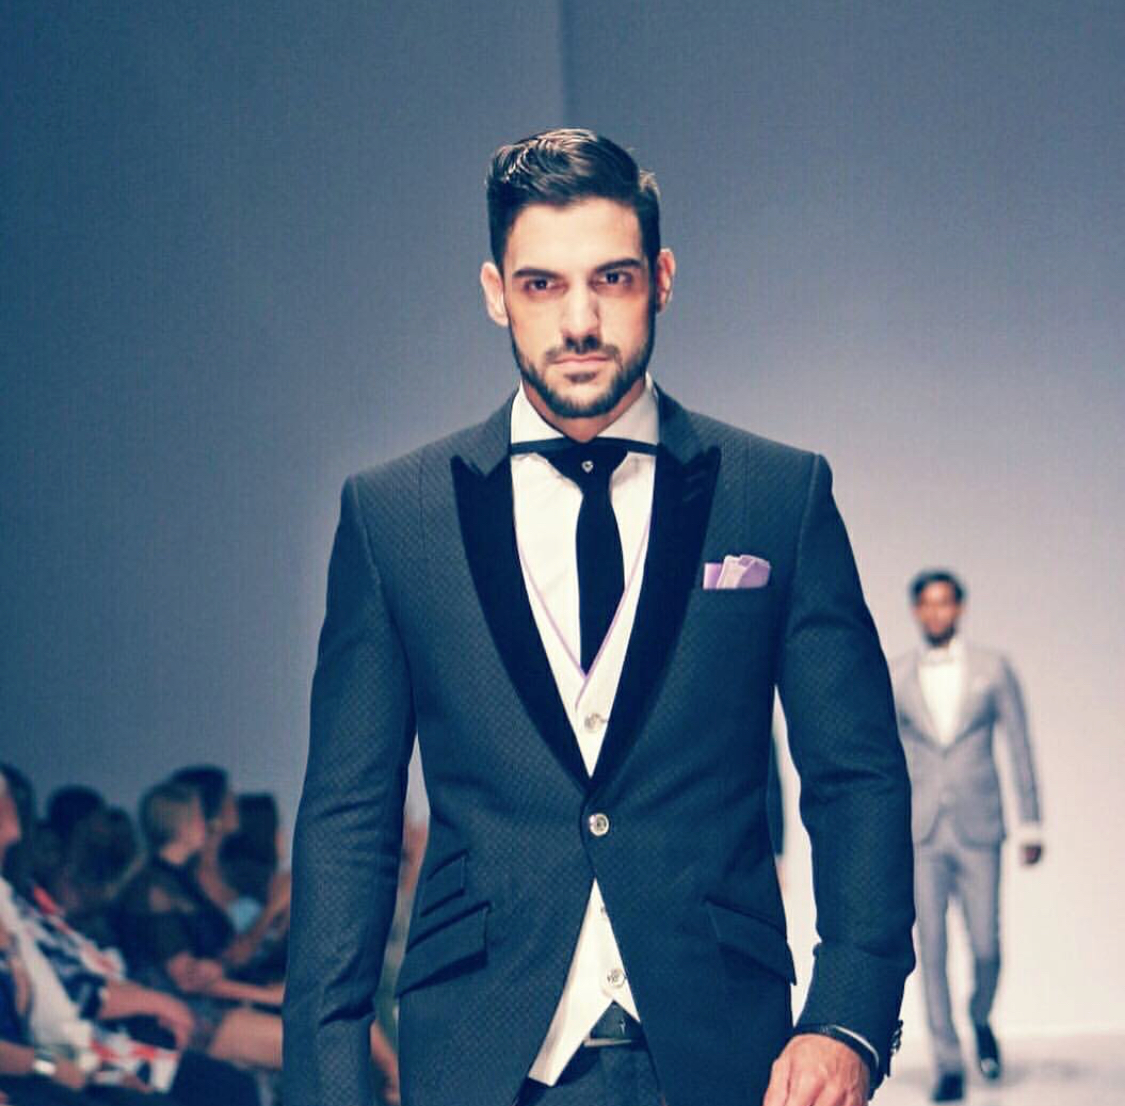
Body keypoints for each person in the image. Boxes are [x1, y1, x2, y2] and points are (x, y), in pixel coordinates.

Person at [283, 128, 916, 1106]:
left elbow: (856, 775)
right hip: (483, 1053)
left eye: (610, 279)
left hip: (725, 1053)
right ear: (495, 292)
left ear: (660, 280)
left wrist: (848, 1018)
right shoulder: (396, 516)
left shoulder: (775, 496)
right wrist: (329, 1087)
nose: (578, 321)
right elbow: (348, 819)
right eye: (542, 285)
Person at [0, 766, 260, 1106]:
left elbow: (56, 1004)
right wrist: (52, 1066)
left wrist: (87, 1065)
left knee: (230, 1083)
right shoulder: (149, 887)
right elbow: (64, 1005)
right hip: (52, 1065)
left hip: (73, 1053)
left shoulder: (14, 905)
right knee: (231, 1081)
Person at [890, 570, 1043, 1103]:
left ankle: (980, 1016)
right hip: (922, 831)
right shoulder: (898, 676)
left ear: (959, 607)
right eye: (927, 604)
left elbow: (1019, 744)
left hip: (980, 826)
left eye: (944, 603)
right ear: (917, 610)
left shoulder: (992, 669)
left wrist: (1031, 820)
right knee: (930, 948)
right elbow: (887, 759)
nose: (936, 613)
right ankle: (948, 1061)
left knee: (986, 944)